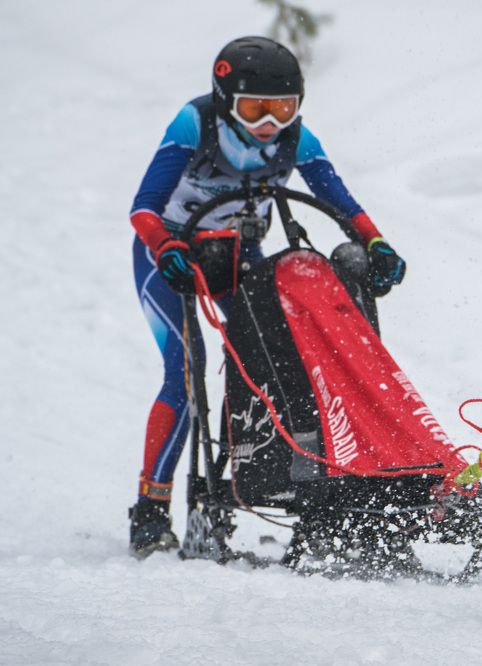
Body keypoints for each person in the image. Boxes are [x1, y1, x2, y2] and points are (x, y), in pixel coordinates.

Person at [128, 36, 406, 557]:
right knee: (186, 375)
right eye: (254, 109)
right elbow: (143, 208)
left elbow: (340, 202)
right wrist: (166, 246)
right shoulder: (194, 124)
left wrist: (376, 243)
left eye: (283, 109)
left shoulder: (297, 138)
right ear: (224, 101)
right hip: (170, 257)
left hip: (238, 256)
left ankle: (278, 484)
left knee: (280, 360)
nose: (269, 123)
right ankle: (150, 511)